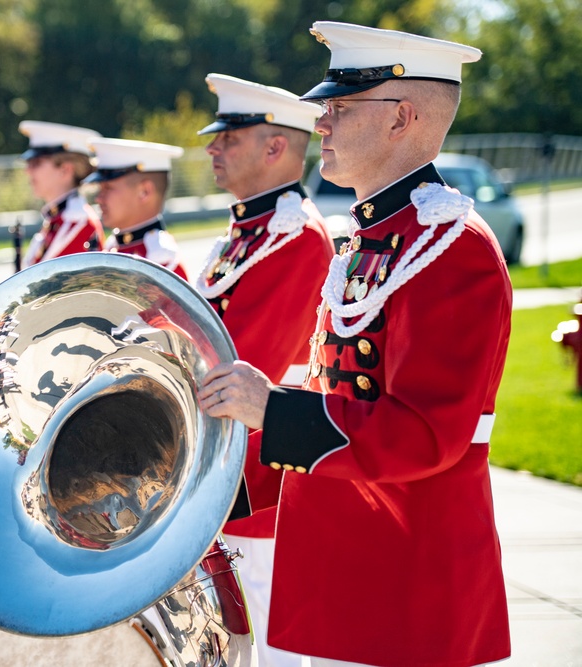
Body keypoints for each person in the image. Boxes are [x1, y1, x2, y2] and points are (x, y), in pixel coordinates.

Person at [200, 22, 512, 667]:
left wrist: (274, 410)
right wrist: (207, 491)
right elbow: (337, 394)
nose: (321, 125)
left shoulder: (452, 247)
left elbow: (427, 433)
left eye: (340, 108)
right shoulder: (375, 239)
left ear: (401, 116)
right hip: (345, 565)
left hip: (407, 582)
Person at [195, 73, 334, 667]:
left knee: (268, 640)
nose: (212, 149)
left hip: (259, 475)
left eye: (230, 137)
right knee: (227, 636)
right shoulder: (247, 231)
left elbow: (244, 359)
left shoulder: (296, 237)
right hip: (224, 462)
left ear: (276, 147)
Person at [85, 137, 187, 278]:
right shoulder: (113, 248)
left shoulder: (161, 263)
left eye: (108, 188)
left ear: (144, 192)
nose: (98, 198)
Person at [18, 120, 103, 266]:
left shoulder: (78, 224)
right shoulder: (57, 220)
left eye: (36, 163)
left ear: (65, 170)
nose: (28, 170)